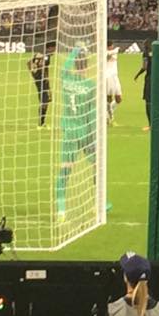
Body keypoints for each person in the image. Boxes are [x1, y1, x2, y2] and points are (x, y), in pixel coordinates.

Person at [57, 45, 96, 223]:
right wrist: (92, 137)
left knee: (65, 169)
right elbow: (91, 114)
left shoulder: (66, 79)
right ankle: (99, 204)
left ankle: (61, 209)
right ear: (86, 66)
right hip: (85, 131)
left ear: (75, 66)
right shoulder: (90, 86)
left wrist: (74, 50)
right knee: (97, 165)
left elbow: (64, 68)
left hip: (69, 131)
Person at [27, 41, 55, 128]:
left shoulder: (38, 54)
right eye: (54, 48)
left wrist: (33, 73)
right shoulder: (46, 56)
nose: (54, 50)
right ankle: (41, 123)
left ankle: (41, 123)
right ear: (50, 48)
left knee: (44, 100)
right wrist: (44, 76)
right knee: (45, 101)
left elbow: (28, 62)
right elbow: (42, 66)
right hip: (43, 81)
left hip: (38, 80)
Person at [135, 41, 153, 132]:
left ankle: (151, 125)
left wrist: (137, 75)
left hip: (150, 79)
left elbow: (145, 67)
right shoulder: (157, 52)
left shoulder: (146, 54)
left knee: (148, 102)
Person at [106, 42, 122, 126]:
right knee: (108, 98)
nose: (112, 47)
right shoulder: (104, 53)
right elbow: (107, 56)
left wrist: (115, 51)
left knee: (119, 99)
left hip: (115, 77)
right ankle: (110, 117)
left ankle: (107, 113)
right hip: (107, 77)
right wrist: (115, 50)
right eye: (111, 46)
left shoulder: (113, 53)